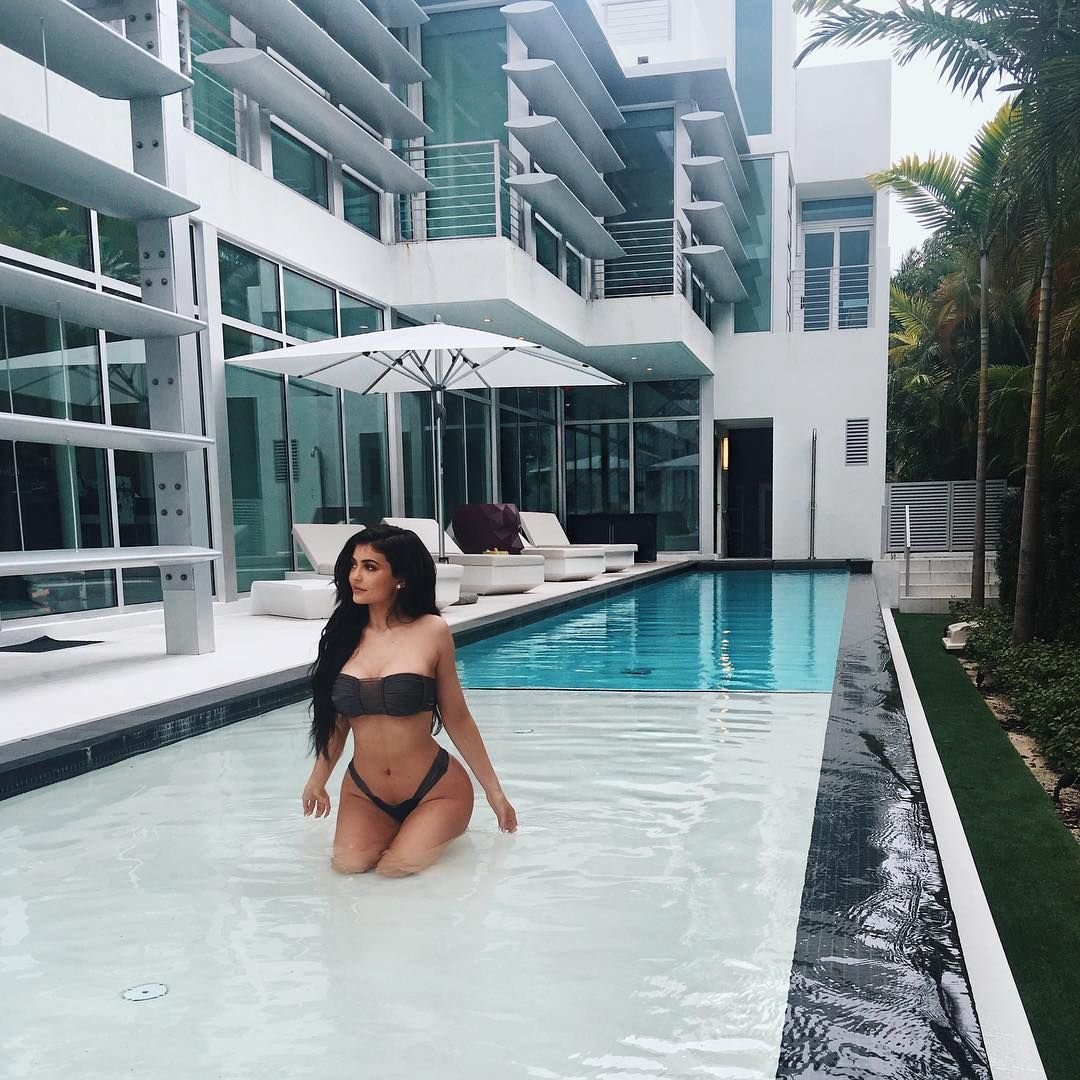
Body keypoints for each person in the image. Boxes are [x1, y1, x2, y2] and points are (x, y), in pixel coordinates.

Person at [302, 523, 517, 877]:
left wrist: (495, 793)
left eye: (370, 567)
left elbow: (457, 718)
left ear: (400, 578)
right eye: (353, 565)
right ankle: (402, 832)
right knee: (347, 867)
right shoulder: (343, 638)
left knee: (395, 870)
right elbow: (338, 723)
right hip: (364, 791)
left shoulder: (432, 631)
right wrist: (317, 780)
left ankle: (426, 828)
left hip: (435, 789)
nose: (356, 576)